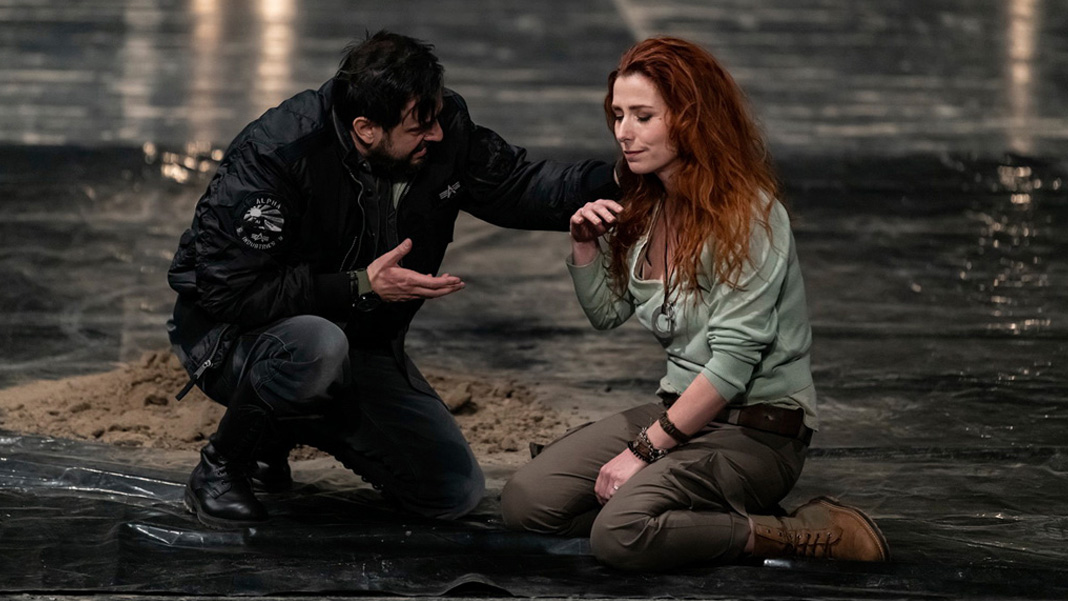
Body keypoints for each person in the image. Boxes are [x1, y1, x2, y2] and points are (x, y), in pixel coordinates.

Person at [166, 31, 618, 529]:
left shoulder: (440, 128)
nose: (437, 135)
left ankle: (284, 424)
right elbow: (229, 293)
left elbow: (517, 184)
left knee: (451, 492)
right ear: (365, 129)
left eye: (436, 117)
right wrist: (359, 284)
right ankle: (221, 468)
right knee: (316, 345)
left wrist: (620, 181)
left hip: (357, 340)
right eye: (419, 127)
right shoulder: (278, 154)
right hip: (234, 339)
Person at [500, 37, 889, 571]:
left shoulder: (747, 216)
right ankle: (687, 515)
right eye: (618, 115)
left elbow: (731, 366)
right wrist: (585, 245)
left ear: (691, 119)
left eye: (643, 117)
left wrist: (642, 452)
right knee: (526, 503)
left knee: (619, 534)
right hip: (680, 412)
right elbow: (607, 313)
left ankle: (795, 533)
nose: (624, 132)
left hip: (757, 430)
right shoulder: (648, 202)